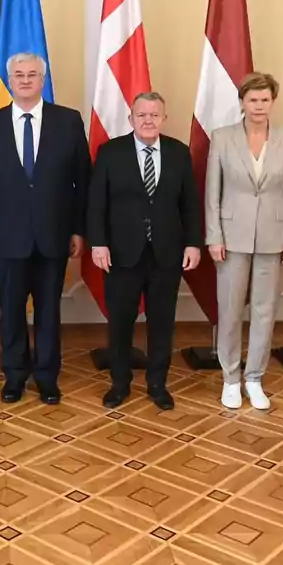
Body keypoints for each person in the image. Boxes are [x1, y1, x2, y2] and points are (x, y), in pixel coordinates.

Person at [0, 51, 90, 405]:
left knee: (49, 309)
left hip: (54, 235)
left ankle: (47, 376)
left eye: (32, 74)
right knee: (11, 310)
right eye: (19, 74)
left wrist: (78, 230)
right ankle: (15, 375)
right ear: (10, 80)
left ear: (42, 79)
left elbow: (82, 181)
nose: (25, 80)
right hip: (7, 237)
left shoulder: (68, 121)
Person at [88, 92, 202, 411]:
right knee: (120, 322)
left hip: (167, 254)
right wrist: (98, 243)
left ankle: (157, 384)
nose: (148, 120)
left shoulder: (179, 153)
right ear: (131, 119)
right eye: (142, 115)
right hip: (122, 254)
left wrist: (193, 242)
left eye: (154, 115)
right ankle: (120, 384)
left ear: (164, 118)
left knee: (162, 323)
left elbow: (190, 204)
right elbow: (96, 203)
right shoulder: (111, 152)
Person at [205, 72, 283, 411]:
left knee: (265, 311)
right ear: (242, 102)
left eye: (264, 100)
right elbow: (212, 193)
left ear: (272, 103)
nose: (258, 106)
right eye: (252, 99)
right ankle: (231, 378)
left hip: (274, 238)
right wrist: (213, 235)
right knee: (230, 310)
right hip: (231, 238)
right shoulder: (222, 137)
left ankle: (254, 377)